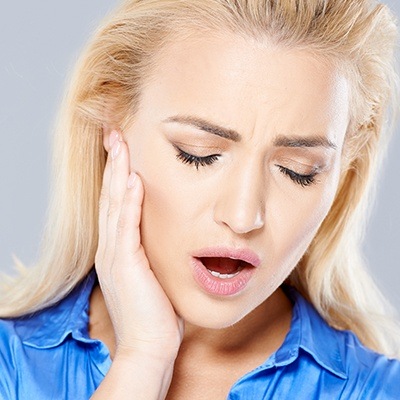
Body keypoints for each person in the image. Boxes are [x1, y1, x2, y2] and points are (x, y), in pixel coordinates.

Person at [1, 0, 400, 398]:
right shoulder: (12, 365)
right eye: (198, 153)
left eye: (298, 170)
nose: (243, 216)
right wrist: (143, 360)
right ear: (113, 120)